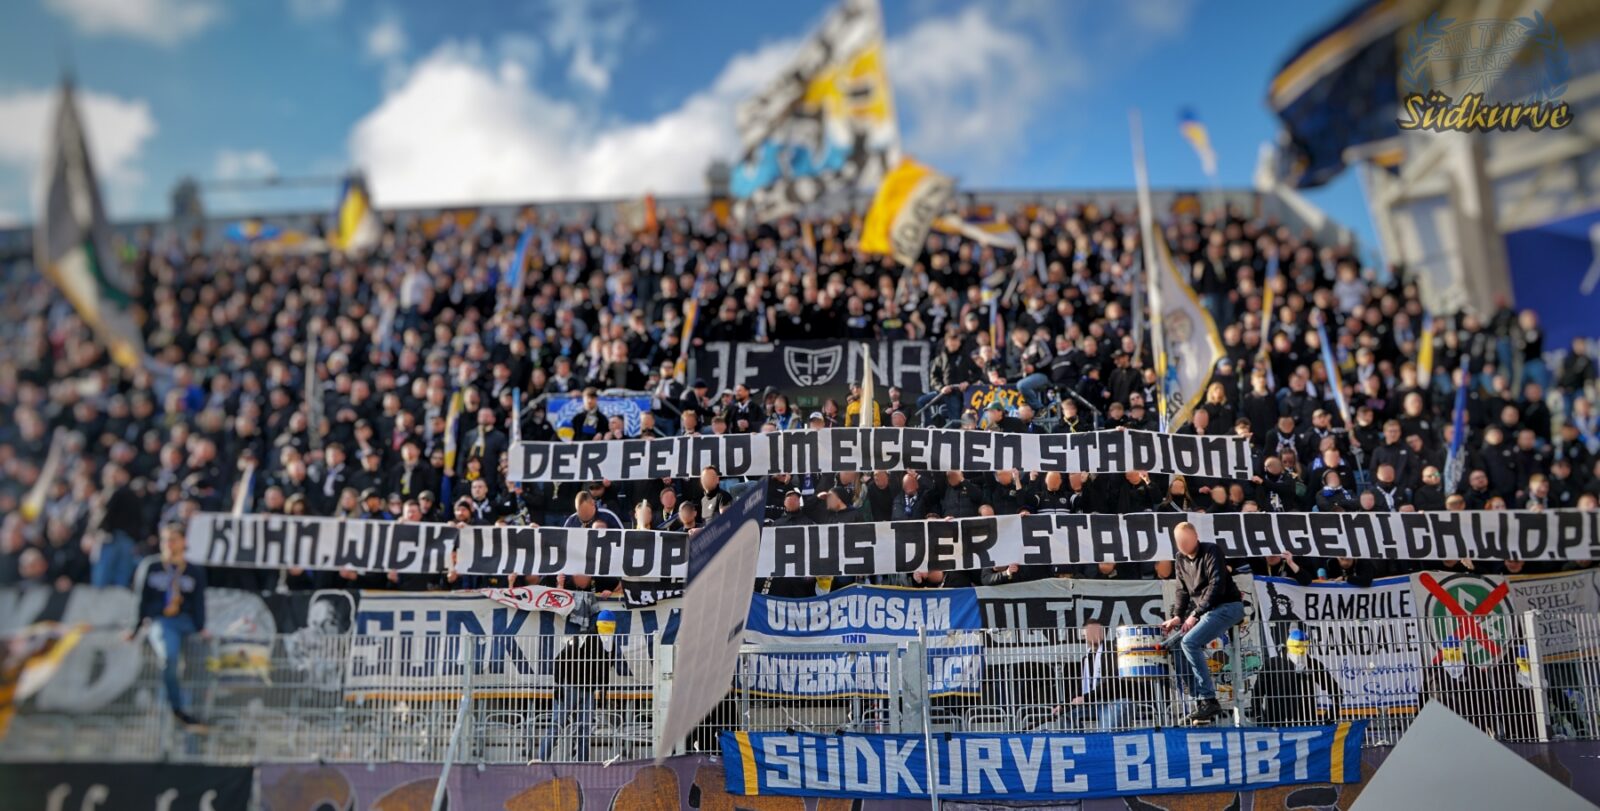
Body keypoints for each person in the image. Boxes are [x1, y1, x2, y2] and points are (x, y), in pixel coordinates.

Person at [1161, 521, 1245, 723]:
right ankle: (1201, 699)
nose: (1182, 544)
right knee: (1174, 646)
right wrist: (1178, 616)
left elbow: (1217, 586)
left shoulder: (1211, 551)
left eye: (1186, 540)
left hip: (1227, 606)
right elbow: (1181, 590)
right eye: (1179, 541)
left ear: (1196, 537)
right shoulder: (1180, 559)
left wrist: (1195, 614)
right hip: (1206, 611)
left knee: (1189, 642)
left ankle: (1208, 699)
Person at [128, 523, 209, 728]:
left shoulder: (193, 571)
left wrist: (201, 627)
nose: (169, 544)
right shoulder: (151, 566)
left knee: (201, 666)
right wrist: (135, 628)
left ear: (184, 542)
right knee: (169, 657)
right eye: (165, 539)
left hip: (186, 622)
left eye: (173, 539)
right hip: (161, 621)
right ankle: (177, 708)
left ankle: (199, 711)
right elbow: (141, 600)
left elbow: (199, 603)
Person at [538, 609, 616, 761]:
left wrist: (602, 693)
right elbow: (560, 660)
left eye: (611, 627)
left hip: (588, 691)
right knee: (557, 726)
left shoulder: (611, 643)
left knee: (584, 730)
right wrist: (559, 685)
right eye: (605, 626)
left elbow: (605, 670)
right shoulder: (582, 638)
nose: (608, 630)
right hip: (569, 688)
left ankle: (582, 763)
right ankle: (541, 760)